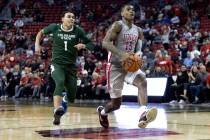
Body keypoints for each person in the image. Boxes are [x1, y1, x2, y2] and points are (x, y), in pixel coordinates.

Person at [97, 4, 157, 129]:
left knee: (142, 81)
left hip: (130, 65)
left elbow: (139, 49)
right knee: (116, 104)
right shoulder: (118, 25)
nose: (131, 11)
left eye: (133, 10)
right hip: (115, 66)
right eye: (128, 9)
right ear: (122, 13)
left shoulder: (138, 30)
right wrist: (122, 54)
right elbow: (105, 43)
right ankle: (103, 113)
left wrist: (138, 56)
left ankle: (143, 114)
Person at [35, 11, 94, 125]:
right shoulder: (55, 27)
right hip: (57, 64)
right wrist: (37, 44)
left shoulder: (78, 31)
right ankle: (57, 109)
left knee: (72, 96)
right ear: (62, 19)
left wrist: (84, 45)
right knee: (60, 82)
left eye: (73, 17)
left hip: (71, 67)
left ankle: (64, 103)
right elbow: (40, 33)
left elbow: (91, 44)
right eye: (69, 17)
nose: (72, 19)